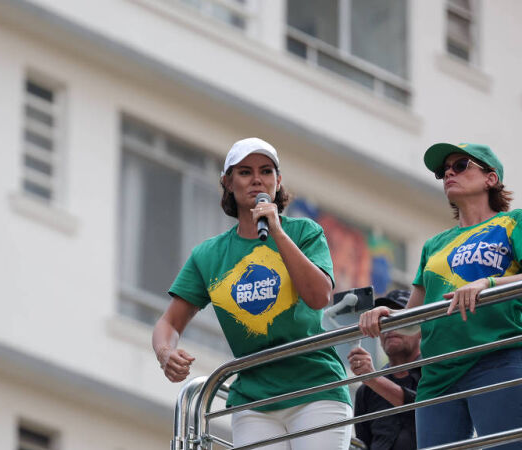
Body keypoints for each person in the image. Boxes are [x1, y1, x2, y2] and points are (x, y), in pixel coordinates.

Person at [152, 137, 352, 450]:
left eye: (266, 171)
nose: (257, 178)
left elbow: (319, 297)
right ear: (227, 183)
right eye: (244, 172)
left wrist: (277, 232)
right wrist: (166, 353)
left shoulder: (304, 232)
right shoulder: (209, 255)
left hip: (316, 389)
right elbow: (169, 323)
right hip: (252, 399)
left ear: (278, 181)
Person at [359, 143, 522, 449]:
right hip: (436, 375)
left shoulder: (514, 223)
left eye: (460, 165)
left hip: (496, 357)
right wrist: (387, 317)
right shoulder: (434, 246)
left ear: (491, 178)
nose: (448, 172)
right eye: (443, 170)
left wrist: (487, 283)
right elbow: (412, 322)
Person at [348, 289, 420, 450]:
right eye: (383, 323)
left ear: (419, 329)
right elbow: (363, 444)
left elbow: (428, 410)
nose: (390, 328)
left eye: (399, 320)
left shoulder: (434, 371)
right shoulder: (365, 392)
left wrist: (373, 379)